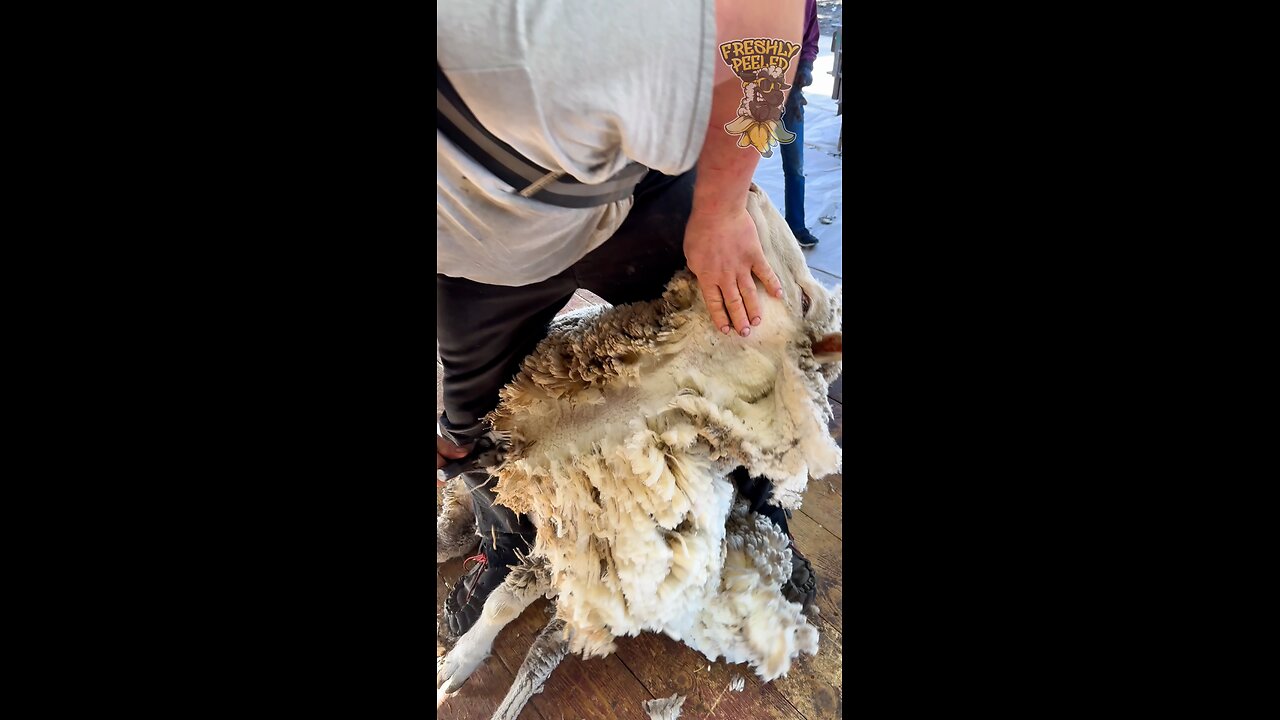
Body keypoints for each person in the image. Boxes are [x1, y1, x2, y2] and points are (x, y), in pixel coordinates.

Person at [436, 0, 816, 637]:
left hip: (635, 193)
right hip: (471, 253)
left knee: (747, 339)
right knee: (470, 419)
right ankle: (509, 535)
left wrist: (722, 209)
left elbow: (769, 23)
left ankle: (756, 509)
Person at [780, 0, 822, 249]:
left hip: (791, 91)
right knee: (741, 169)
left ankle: (796, 226)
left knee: (795, 166)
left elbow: (811, 38)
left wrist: (805, 66)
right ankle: (744, 227)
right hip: (753, 89)